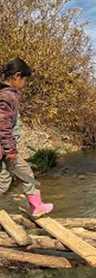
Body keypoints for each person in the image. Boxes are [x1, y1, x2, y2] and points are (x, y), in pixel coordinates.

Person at [0, 58, 54, 217]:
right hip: (4, 148)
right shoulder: (6, 96)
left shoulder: (6, 94)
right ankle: (37, 207)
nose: (25, 83)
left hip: (3, 148)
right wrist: (10, 150)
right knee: (21, 176)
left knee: (8, 180)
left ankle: (37, 206)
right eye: (25, 79)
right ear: (17, 76)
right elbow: (2, 125)